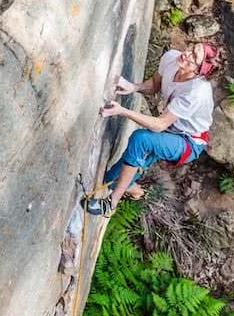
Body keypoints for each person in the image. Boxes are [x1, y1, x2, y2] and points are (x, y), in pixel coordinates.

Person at [83, 42, 219, 215]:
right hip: (171, 129)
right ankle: (135, 191)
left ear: (199, 71)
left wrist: (122, 111)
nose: (187, 53)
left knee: (141, 139)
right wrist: (134, 87)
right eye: (192, 48)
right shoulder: (172, 58)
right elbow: (155, 83)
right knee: (111, 179)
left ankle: (111, 203)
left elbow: (160, 124)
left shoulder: (196, 93)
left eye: (194, 57)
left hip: (189, 142)